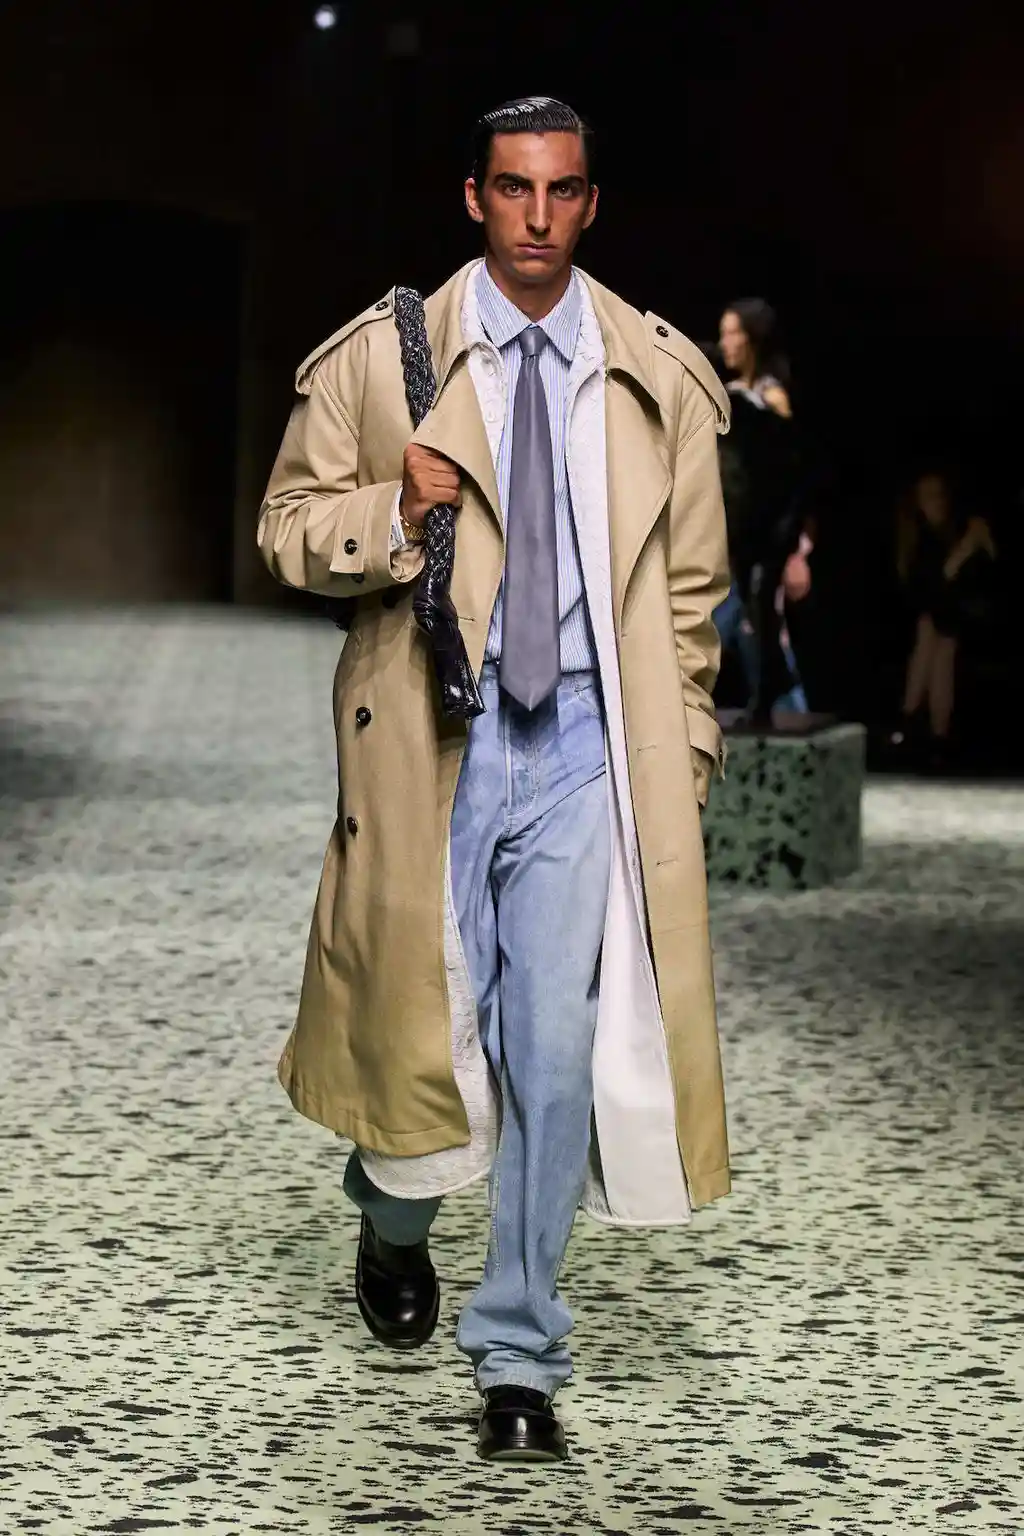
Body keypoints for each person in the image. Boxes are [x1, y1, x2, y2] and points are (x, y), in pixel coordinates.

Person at [257, 95, 732, 1465]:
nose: (538, 216)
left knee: (553, 1053)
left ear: (591, 202)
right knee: (424, 1050)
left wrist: (686, 752)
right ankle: (391, 1217)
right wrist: (394, 512)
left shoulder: (655, 375)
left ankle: (520, 1355)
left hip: (583, 744)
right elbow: (285, 529)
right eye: (513, 189)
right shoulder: (380, 360)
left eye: (562, 190)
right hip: (436, 740)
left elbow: (689, 595)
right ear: (475, 197)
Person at [714, 299, 808, 724]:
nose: (725, 343)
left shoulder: (771, 397)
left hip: (772, 524)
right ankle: (773, 689)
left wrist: (795, 542)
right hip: (743, 525)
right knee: (751, 613)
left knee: (757, 610)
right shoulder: (734, 394)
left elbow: (791, 465)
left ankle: (777, 693)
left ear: (752, 339)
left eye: (733, 333)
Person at [890, 469, 997, 765]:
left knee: (935, 633)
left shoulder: (964, 527)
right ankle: (938, 736)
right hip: (938, 620)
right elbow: (929, 588)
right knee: (936, 639)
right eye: (927, 497)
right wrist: (962, 553)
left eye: (939, 495)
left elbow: (987, 576)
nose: (935, 503)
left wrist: (969, 549)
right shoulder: (919, 539)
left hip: (974, 614)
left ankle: (909, 719)